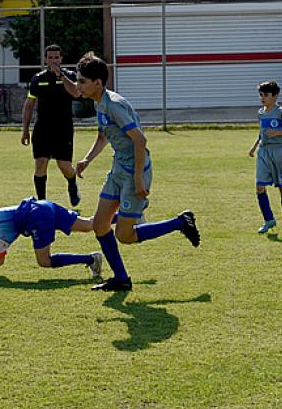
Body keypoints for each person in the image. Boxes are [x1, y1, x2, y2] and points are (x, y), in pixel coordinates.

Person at [74, 52, 200, 292]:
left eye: (82, 81)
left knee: (125, 234)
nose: (78, 85)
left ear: (97, 83)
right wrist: (87, 159)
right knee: (101, 225)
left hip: (135, 170)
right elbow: (103, 136)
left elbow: (140, 141)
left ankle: (180, 222)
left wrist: (139, 178)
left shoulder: (114, 105)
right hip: (118, 168)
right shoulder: (98, 102)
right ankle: (121, 278)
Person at [21, 44, 82, 206]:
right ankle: (42, 204)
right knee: (40, 164)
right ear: (45, 59)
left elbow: (76, 93)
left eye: (56, 57)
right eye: (50, 57)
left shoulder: (70, 76)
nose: (53, 60)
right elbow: (29, 104)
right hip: (42, 128)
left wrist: (60, 75)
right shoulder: (37, 79)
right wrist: (25, 129)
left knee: (65, 167)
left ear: (61, 59)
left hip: (63, 129)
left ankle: (72, 183)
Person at [249, 81, 282, 233]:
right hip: (264, 151)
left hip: (279, 152)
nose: (263, 98)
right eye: (261, 95)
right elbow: (262, 132)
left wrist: (278, 133)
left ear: (275, 96)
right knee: (259, 186)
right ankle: (268, 220)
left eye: (266, 95)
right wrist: (254, 146)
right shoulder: (260, 113)